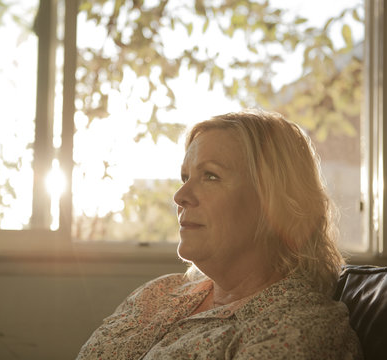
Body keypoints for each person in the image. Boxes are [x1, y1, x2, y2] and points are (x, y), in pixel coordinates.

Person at [76, 109, 363, 359]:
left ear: (274, 204)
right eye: (185, 177)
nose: (180, 196)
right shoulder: (159, 292)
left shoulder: (300, 329)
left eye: (210, 176)